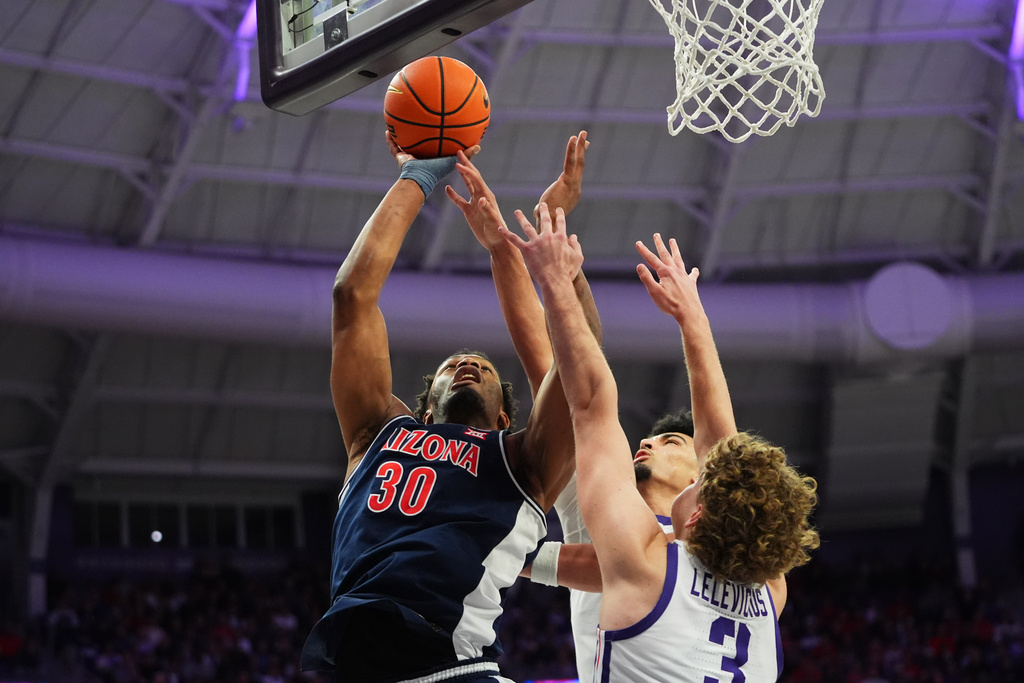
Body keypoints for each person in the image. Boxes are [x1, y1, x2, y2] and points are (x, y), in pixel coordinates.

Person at [300, 134, 595, 683]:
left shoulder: (522, 463)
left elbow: (579, 375)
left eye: (482, 367)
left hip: (452, 667)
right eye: (453, 364)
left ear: (507, 419)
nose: (466, 365)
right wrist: (419, 177)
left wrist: (558, 270)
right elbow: (351, 296)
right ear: (424, 408)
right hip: (351, 662)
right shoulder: (375, 434)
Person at [444, 139, 736, 683]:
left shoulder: (742, 552)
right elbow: (554, 365)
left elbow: (724, 447)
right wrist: (509, 250)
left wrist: (518, 552)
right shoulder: (606, 508)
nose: (647, 443)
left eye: (673, 443)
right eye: (653, 438)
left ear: (703, 478)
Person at [501, 206, 820, 682]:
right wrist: (692, 319)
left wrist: (554, 283)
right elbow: (724, 453)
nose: (646, 443)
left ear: (696, 513)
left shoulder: (645, 558)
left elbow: (589, 402)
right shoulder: (768, 590)